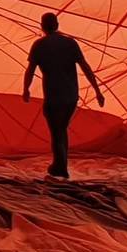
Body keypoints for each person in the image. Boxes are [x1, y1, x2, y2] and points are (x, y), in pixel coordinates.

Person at [22, 12, 104, 180]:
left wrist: (26, 89)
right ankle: (60, 165)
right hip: (71, 96)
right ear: (57, 24)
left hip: (54, 96)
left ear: (42, 26)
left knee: (57, 131)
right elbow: (85, 67)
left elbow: (30, 70)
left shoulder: (39, 45)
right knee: (62, 130)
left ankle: (60, 168)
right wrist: (97, 91)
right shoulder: (70, 43)